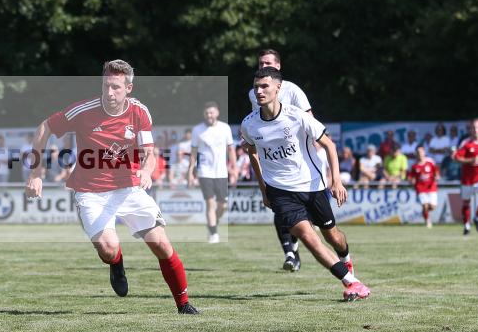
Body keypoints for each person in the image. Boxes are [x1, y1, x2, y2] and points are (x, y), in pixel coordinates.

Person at [24, 59, 199, 314]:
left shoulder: (139, 112)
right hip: (91, 191)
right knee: (108, 248)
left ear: (129, 88)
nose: (109, 92)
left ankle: (183, 304)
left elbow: (149, 152)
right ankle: (116, 263)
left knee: (160, 244)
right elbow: (45, 128)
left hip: (129, 188)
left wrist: (147, 172)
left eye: (116, 87)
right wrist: (36, 173)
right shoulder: (83, 111)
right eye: (106, 85)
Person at [241, 67, 370, 301]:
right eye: (256, 87)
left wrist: (336, 181)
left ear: (278, 88)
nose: (259, 91)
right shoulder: (249, 125)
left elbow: (329, 146)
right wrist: (263, 189)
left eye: (264, 86)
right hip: (280, 191)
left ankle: (347, 262)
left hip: (312, 186)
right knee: (308, 237)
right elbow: (252, 153)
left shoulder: (297, 116)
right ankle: (351, 282)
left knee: (334, 237)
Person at [248, 49, 312, 271]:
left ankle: (296, 249)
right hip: (274, 162)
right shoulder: (253, 94)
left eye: (268, 62)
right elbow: (258, 123)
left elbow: (309, 122)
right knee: (280, 208)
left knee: (306, 215)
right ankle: (290, 253)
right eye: (261, 62)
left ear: (279, 66)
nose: (264, 65)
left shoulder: (293, 90)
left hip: (300, 161)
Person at [188, 101, 235, 244]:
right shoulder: (197, 130)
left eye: (212, 112)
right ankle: (214, 234)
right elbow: (193, 153)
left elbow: (231, 150)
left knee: (223, 205)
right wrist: (190, 172)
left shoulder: (225, 128)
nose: (209, 115)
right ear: (204, 114)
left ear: (217, 113)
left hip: (221, 172)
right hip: (204, 172)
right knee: (210, 203)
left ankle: (213, 222)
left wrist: (234, 169)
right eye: (207, 113)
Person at [408, 145, 439, 228]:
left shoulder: (430, 162)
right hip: (420, 188)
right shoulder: (414, 166)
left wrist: (437, 176)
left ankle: (424, 213)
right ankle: (427, 221)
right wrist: (411, 180)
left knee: (432, 207)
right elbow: (410, 177)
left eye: (421, 152)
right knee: (425, 205)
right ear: (416, 154)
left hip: (431, 187)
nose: (420, 154)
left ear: (424, 152)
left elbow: (436, 171)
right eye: (418, 152)